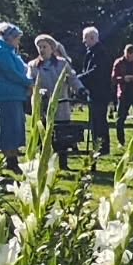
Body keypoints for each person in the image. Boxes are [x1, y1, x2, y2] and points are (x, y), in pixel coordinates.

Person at [28, 34, 83, 167]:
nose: (41, 49)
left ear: (52, 48)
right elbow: (29, 83)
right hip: (43, 106)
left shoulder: (62, 64)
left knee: (62, 136)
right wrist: (37, 91)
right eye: (39, 47)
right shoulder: (33, 66)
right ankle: (43, 163)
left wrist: (80, 89)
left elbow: (73, 79)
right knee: (43, 135)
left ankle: (63, 164)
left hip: (61, 105)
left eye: (44, 47)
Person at [0, 23, 30, 171]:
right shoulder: (0, 52)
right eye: (17, 38)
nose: (18, 41)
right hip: (7, 94)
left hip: (15, 94)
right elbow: (12, 73)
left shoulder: (9, 51)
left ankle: (13, 158)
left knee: (15, 127)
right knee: (8, 128)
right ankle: (10, 160)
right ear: (9, 37)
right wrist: (29, 83)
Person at [78, 25, 112, 154]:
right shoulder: (92, 52)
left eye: (85, 38)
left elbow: (96, 72)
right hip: (94, 92)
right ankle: (97, 145)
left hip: (100, 92)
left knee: (99, 120)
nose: (84, 41)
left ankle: (102, 147)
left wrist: (80, 78)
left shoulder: (100, 53)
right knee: (95, 120)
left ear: (92, 38)